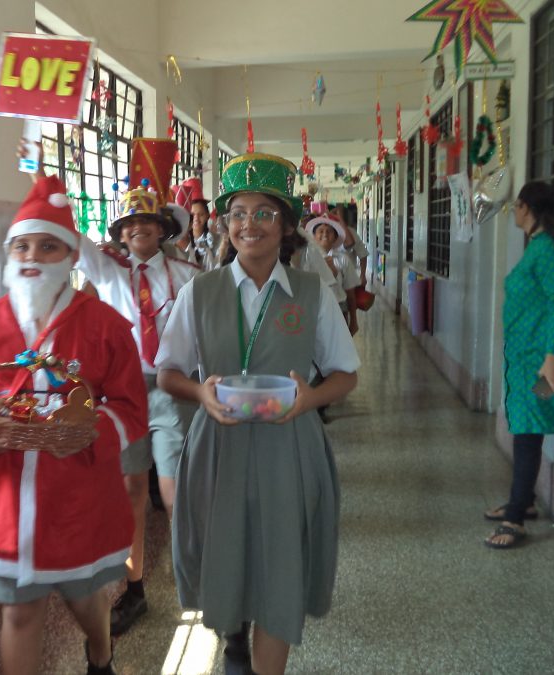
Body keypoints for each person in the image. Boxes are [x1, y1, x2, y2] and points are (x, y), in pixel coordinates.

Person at [156, 153, 360, 675]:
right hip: (217, 448)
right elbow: (168, 373)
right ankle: (232, 638)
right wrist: (201, 394)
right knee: (225, 554)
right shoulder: (199, 293)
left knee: (280, 570)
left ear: (286, 225)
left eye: (265, 212)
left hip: (287, 447)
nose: (250, 224)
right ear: (225, 223)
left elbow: (344, 373)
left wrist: (309, 399)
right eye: (239, 213)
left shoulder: (311, 294)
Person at [0, 175, 148, 675]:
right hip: (6, 504)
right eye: (23, 245)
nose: (32, 256)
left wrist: (89, 426)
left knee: (85, 602)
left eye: (48, 246)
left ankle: (100, 652)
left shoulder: (104, 326)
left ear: (72, 258)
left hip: (80, 500)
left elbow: (131, 408)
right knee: (20, 611)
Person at [74, 138, 200, 636]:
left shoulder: (187, 275)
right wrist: (49, 185)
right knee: (130, 490)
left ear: (163, 228)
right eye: (129, 224)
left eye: (148, 222)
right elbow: (76, 242)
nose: (139, 230)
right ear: (120, 234)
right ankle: (136, 590)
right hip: (121, 394)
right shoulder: (107, 273)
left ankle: (194, 576)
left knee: (173, 492)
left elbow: (201, 332)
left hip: (170, 389)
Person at [485, 181, 554, 549]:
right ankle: (523, 501)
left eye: (516, 207)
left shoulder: (551, 249)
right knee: (525, 427)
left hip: (542, 363)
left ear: (526, 208)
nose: (514, 213)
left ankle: (515, 520)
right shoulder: (539, 246)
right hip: (526, 361)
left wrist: (552, 357)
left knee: (527, 433)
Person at [306, 214, 361, 335]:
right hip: (314, 310)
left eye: (329, 231)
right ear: (314, 237)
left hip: (339, 309)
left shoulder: (343, 260)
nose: (325, 234)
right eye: (320, 231)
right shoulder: (307, 259)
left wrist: (354, 321)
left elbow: (350, 294)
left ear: (335, 238)